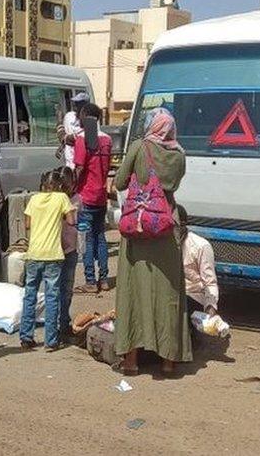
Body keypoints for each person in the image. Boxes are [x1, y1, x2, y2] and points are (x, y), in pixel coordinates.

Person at [112, 107, 188, 376]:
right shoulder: (179, 154)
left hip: (139, 225)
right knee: (168, 292)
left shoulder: (139, 147)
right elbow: (174, 186)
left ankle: (131, 361)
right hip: (167, 225)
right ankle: (168, 361)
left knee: (133, 291)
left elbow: (119, 182)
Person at [20, 170, 77, 351]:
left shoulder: (34, 199)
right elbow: (71, 221)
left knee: (30, 295)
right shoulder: (61, 198)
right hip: (53, 254)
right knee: (52, 297)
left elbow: (27, 224)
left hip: (34, 253)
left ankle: (26, 337)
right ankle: (51, 340)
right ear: (59, 185)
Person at [73, 103, 112, 293]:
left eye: (80, 115)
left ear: (86, 116)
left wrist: (71, 188)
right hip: (101, 196)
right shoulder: (107, 139)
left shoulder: (83, 139)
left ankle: (90, 280)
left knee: (87, 239)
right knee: (100, 237)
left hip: (86, 196)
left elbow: (80, 168)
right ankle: (104, 279)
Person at [178, 206, 219, 317]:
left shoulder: (200, 246)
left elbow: (210, 282)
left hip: (192, 297)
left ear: (183, 224)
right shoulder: (163, 245)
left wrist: (210, 308)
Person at [57, 166, 79, 339]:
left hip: (70, 249)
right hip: (56, 250)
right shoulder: (56, 201)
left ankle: (63, 322)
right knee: (58, 289)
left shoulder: (77, 200)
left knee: (66, 289)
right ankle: (59, 324)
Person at [57, 92, 89, 169]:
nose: (75, 105)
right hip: (69, 161)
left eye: (78, 103)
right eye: (75, 103)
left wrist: (59, 122)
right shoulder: (69, 116)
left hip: (80, 165)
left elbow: (69, 139)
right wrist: (61, 146)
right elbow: (66, 134)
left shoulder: (90, 122)